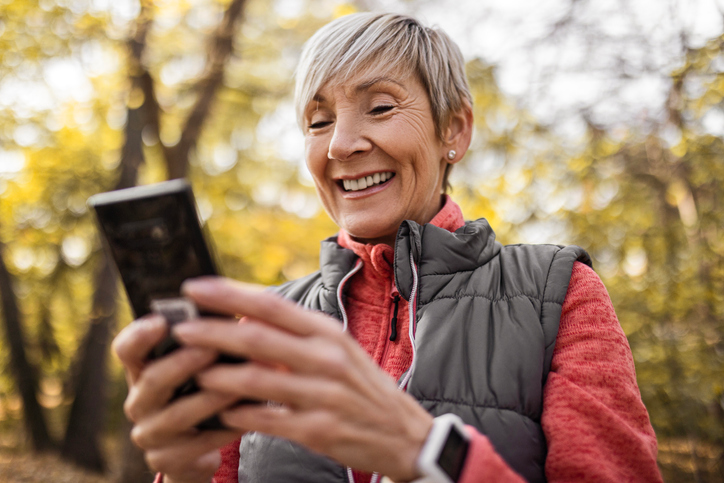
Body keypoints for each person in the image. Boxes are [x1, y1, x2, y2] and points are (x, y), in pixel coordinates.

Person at [113, 12, 663, 483]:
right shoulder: (259, 328)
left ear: (454, 129)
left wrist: (429, 454)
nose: (342, 144)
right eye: (318, 121)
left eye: (379, 108)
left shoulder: (558, 293)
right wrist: (183, 471)